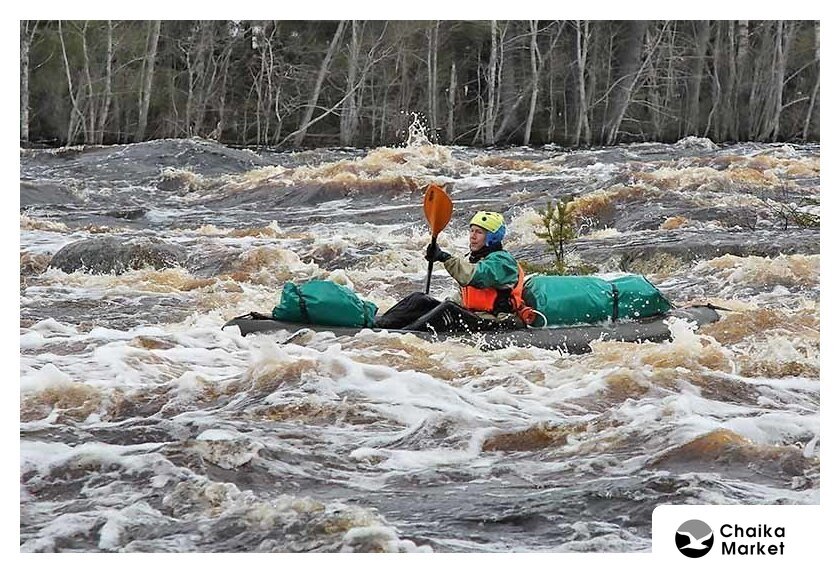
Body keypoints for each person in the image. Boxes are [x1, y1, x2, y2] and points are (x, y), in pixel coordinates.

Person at [375, 211, 535, 332]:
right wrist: (431, 309)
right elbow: (463, 297)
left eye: (479, 232)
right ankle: (377, 326)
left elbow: (473, 276)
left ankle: (405, 336)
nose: (473, 236)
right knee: (420, 299)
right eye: (472, 231)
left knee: (449, 309)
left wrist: (444, 257)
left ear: (492, 238)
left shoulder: (502, 262)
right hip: (475, 315)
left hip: (499, 321)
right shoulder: (474, 259)